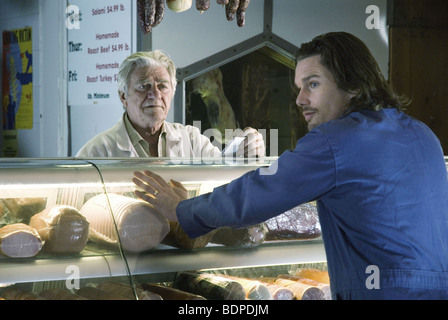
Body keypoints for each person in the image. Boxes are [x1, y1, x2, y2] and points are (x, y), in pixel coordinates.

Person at [132, 32, 448, 300]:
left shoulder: (335, 140)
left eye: (312, 84)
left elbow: (260, 192)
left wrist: (184, 210)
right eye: (299, 87)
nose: (299, 99)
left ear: (352, 84)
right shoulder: (424, 134)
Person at [76, 50, 265, 158]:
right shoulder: (97, 151)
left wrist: (244, 151)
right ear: (123, 97)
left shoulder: (191, 140)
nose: (155, 94)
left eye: (163, 86)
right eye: (144, 86)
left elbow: (222, 176)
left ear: (172, 93)